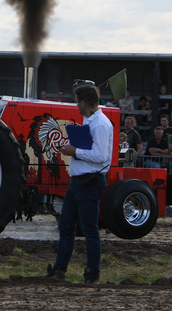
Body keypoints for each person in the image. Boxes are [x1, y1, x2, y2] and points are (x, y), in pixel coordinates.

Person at [47, 85, 113, 284]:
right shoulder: (90, 120)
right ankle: (60, 271)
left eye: (77, 101)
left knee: (89, 229)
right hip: (80, 181)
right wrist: (72, 148)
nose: (76, 105)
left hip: (90, 182)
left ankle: (92, 275)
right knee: (66, 227)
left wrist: (74, 151)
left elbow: (101, 157)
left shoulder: (100, 123)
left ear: (84, 102)